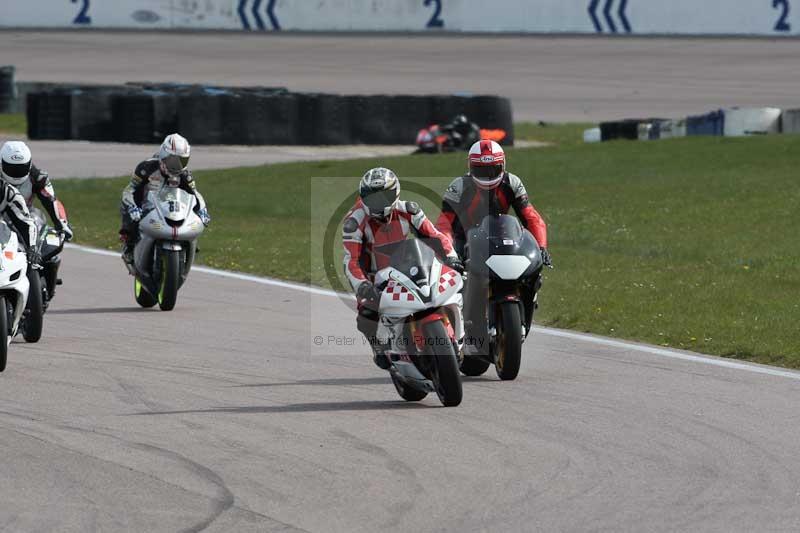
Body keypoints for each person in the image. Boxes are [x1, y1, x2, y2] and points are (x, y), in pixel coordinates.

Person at [342, 167, 463, 369]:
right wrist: (362, 285)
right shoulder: (354, 221)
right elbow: (351, 261)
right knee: (367, 316)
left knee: (454, 288)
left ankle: (456, 339)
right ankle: (379, 347)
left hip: (409, 269)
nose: (378, 203)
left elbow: (435, 236)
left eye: (384, 196)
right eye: (373, 198)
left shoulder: (409, 210)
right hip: (374, 280)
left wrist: (451, 257)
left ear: (395, 193)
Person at [435, 139, 551, 336]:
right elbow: (444, 223)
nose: (487, 175)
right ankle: (453, 329)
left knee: (532, 273)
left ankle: (524, 301)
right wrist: (449, 253)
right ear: (470, 167)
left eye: (493, 169)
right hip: (464, 239)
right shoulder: (459, 186)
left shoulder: (512, 182)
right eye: (481, 170)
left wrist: (541, 246)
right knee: (453, 282)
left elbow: (531, 218)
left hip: (500, 234)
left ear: (503, 165)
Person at [119, 133, 210, 263]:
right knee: (129, 214)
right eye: (173, 161)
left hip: (171, 209)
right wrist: (133, 206)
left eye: (182, 161)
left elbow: (195, 194)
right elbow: (129, 190)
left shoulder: (185, 175)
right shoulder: (146, 167)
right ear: (163, 155)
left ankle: (190, 244)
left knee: (194, 219)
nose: (177, 166)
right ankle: (129, 245)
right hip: (145, 207)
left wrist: (203, 209)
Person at [0, 141, 72, 241]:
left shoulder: (38, 177)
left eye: (21, 168)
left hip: (26, 215)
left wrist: (62, 223)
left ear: (29, 165)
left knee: (37, 219)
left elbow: (51, 199)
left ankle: (43, 255)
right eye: (11, 168)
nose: (16, 173)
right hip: (2, 217)